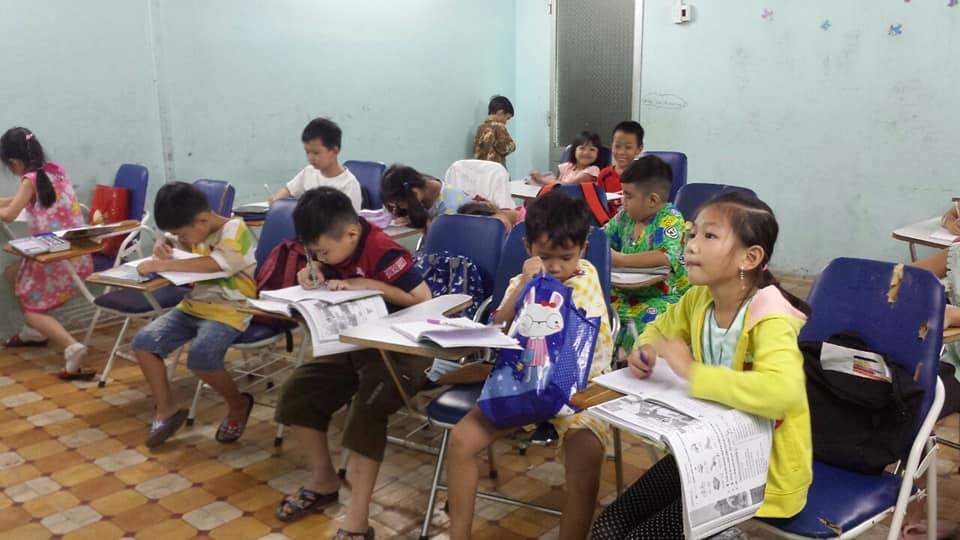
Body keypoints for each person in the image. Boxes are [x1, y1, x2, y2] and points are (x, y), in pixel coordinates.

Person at [592, 192, 812, 539]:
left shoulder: (770, 317)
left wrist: (693, 373)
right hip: (705, 453)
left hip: (760, 473)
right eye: (692, 233)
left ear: (750, 257)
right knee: (608, 527)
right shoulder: (699, 298)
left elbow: (782, 393)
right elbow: (658, 330)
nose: (691, 245)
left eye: (709, 236)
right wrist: (646, 350)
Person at [445, 191, 614, 540]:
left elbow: (569, 325)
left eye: (566, 257)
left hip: (580, 393)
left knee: (585, 464)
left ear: (583, 249)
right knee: (461, 440)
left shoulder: (586, 276)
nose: (555, 267)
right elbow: (499, 324)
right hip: (522, 384)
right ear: (528, 248)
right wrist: (523, 284)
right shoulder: (522, 283)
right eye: (545, 257)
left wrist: (540, 285)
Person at [272, 187, 432, 540]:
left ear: (351, 233)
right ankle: (324, 481)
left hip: (403, 350)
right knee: (298, 393)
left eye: (323, 252)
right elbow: (326, 267)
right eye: (314, 252)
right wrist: (313, 271)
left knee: (366, 410)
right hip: (355, 342)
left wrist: (367, 284)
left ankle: (358, 519)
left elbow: (423, 300)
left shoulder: (384, 251)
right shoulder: (337, 242)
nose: (320, 257)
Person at [130, 182, 258, 448]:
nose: (183, 239)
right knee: (143, 343)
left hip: (231, 309)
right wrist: (163, 242)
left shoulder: (235, 230)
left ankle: (238, 404)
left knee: (201, 356)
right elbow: (170, 237)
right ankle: (166, 409)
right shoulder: (196, 230)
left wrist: (160, 264)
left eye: (182, 233)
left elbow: (216, 264)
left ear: (202, 220)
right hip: (193, 306)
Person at [0, 127, 94, 379]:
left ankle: (72, 347)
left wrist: (6, 206)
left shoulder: (30, 180)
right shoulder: (54, 171)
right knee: (12, 274)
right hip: (76, 254)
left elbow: (9, 214)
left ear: (14, 162)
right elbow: (17, 199)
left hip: (56, 259)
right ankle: (34, 332)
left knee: (32, 309)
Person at [605, 156, 690, 354]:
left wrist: (620, 259)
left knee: (647, 323)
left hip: (663, 295)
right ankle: (605, 360)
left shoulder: (670, 219)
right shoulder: (624, 218)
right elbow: (603, 239)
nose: (623, 201)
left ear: (652, 200)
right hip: (626, 293)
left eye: (628, 196)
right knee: (594, 307)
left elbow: (667, 256)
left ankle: (632, 362)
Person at [268, 118, 362, 211]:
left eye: (316, 153)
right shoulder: (309, 172)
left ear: (334, 151)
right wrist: (276, 200)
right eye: (307, 152)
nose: (310, 157)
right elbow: (289, 189)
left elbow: (351, 220)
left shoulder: (349, 185)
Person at [379, 164, 484, 229]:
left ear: (415, 193)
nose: (400, 208)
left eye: (400, 204)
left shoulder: (451, 209)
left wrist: (424, 220)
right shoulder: (427, 184)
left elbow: (442, 243)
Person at [597, 121, 644, 214]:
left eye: (628, 147)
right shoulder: (604, 175)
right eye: (617, 146)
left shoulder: (644, 175)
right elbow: (599, 206)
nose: (621, 152)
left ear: (639, 149)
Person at [530, 131, 602, 185]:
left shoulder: (593, 170)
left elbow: (567, 185)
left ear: (597, 154)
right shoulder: (567, 166)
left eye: (592, 149)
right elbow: (558, 183)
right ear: (574, 151)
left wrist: (540, 178)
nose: (586, 153)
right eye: (582, 148)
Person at [473, 95, 516, 165]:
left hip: (480, 168)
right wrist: (513, 146)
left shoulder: (480, 128)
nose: (506, 122)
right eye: (507, 118)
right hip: (495, 169)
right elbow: (506, 148)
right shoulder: (499, 127)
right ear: (500, 112)